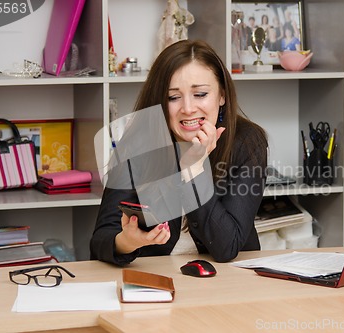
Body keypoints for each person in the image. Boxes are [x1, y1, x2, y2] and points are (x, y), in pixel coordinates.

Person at [90, 40, 268, 266]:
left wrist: (194, 169)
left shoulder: (247, 141)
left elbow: (227, 247)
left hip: (228, 282)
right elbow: (100, 241)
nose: (188, 108)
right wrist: (127, 242)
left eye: (200, 94)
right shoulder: (138, 140)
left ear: (222, 95)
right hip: (156, 281)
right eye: (173, 97)